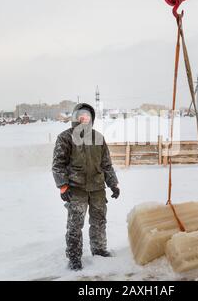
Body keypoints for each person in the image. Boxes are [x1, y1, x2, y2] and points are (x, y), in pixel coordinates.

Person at [52, 103, 120, 271]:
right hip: (76, 189)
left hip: (97, 188)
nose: (84, 119)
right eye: (80, 116)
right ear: (75, 118)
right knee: (75, 224)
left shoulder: (98, 138)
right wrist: (63, 186)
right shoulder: (65, 138)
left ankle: (99, 250)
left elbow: (107, 165)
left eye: (87, 116)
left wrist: (113, 184)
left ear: (91, 118)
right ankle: (74, 257)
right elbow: (58, 165)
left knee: (99, 221)